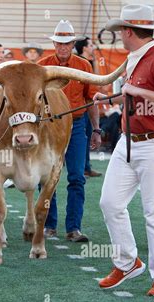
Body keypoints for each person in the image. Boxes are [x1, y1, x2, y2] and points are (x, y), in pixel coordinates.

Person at [94, 4, 154, 297]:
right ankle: (127, 262)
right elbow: (136, 99)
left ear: (129, 31)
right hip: (129, 141)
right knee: (109, 203)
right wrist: (112, 99)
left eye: (121, 30)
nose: (120, 35)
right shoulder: (137, 57)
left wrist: (137, 93)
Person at [38, 20, 100, 242]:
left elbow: (91, 98)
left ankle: (73, 228)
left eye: (66, 43)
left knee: (76, 176)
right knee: (46, 177)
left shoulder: (84, 66)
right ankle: (49, 225)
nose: (62, 47)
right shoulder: (42, 66)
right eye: (59, 43)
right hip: (49, 126)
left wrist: (97, 129)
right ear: (54, 43)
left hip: (76, 124)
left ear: (73, 43)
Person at [75, 36, 102, 177]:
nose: (93, 47)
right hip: (83, 105)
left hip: (88, 103)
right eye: (90, 45)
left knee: (84, 137)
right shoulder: (79, 62)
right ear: (84, 47)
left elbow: (96, 79)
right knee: (83, 137)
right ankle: (84, 167)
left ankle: (85, 166)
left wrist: (95, 61)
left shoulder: (89, 62)